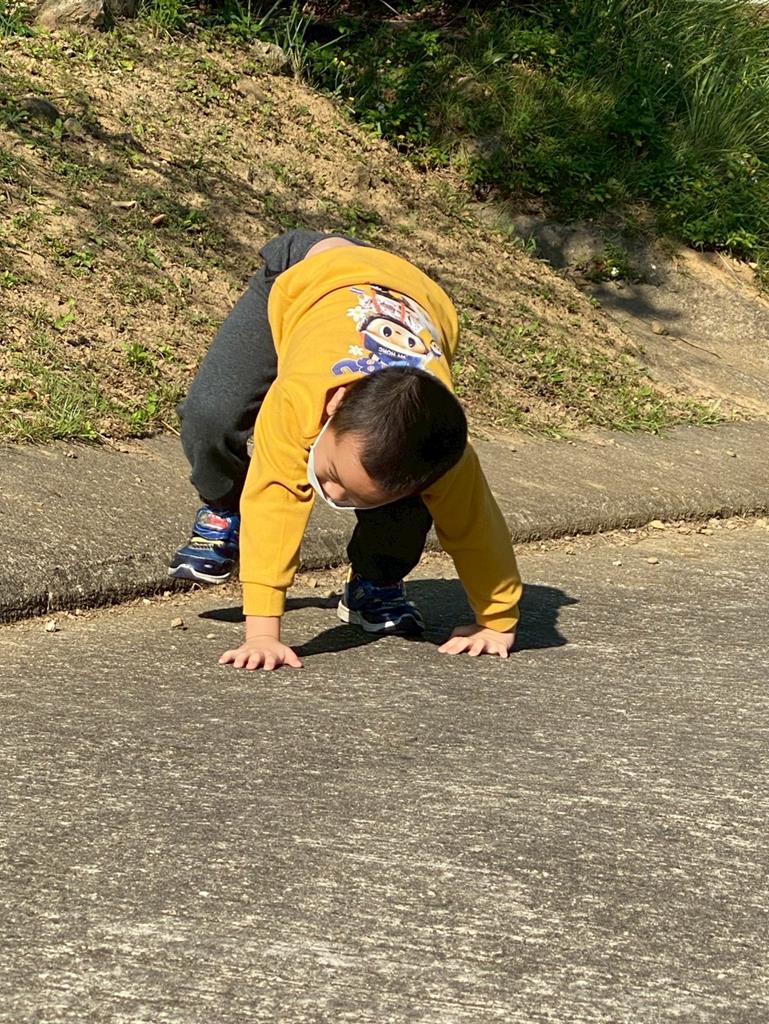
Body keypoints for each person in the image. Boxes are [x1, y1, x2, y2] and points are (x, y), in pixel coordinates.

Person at [169, 229, 522, 671]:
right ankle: (225, 509)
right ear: (333, 407)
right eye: (333, 476)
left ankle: (375, 579)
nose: (333, 496)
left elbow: (476, 529)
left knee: (409, 489)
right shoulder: (302, 400)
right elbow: (277, 498)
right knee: (211, 415)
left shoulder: (448, 456)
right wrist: (262, 635)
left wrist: (497, 622)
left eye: (351, 495)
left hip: (420, 298)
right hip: (307, 275)